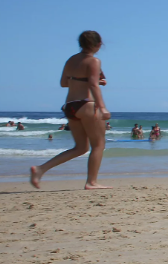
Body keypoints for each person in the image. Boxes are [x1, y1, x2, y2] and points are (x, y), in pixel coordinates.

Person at [30, 30, 111, 189]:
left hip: (70, 105)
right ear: (98, 44)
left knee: (80, 147)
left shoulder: (71, 60)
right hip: (87, 104)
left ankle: (40, 170)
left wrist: (87, 80)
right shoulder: (93, 61)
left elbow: (64, 83)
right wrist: (102, 107)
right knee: (98, 145)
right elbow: (93, 85)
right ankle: (91, 182)